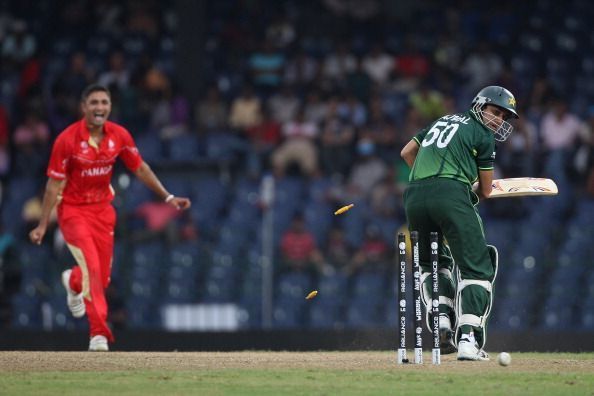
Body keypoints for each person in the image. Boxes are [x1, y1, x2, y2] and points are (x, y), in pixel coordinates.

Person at [28, 84, 191, 351]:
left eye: (104, 102)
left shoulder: (119, 135)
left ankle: (72, 280)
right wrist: (43, 224)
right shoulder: (66, 140)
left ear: (110, 106)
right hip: (73, 211)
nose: (99, 107)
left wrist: (168, 197)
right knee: (93, 267)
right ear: (84, 107)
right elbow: (52, 186)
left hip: (104, 211)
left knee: (101, 279)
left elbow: (140, 168)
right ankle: (98, 334)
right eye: (94, 102)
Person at [400, 85, 519, 361]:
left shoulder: (441, 120)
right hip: (452, 195)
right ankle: (468, 340)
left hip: (415, 195)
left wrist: (430, 179)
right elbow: (486, 190)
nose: (498, 120)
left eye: (503, 116)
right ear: (479, 106)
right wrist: (459, 187)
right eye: (495, 111)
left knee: (432, 263)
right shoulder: (483, 135)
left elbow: (407, 153)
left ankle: (441, 321)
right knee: (477, 267)